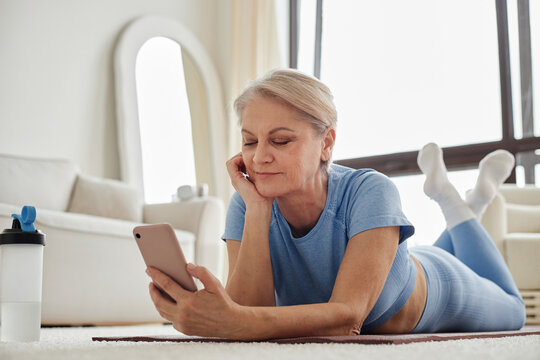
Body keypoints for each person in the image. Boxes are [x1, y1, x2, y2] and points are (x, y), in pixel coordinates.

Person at [145, 69, 526, 339]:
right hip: (387, 258)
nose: (259, 157)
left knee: (514, 311)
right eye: (249, 141)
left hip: (440, 283)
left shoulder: (370, 190)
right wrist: (258, 211)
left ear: (326, 143)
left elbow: (348, 318)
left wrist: (230, 321)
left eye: (280, 141)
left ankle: (456, 203)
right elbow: (250, 309)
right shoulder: (247, 203)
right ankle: (465, 199)